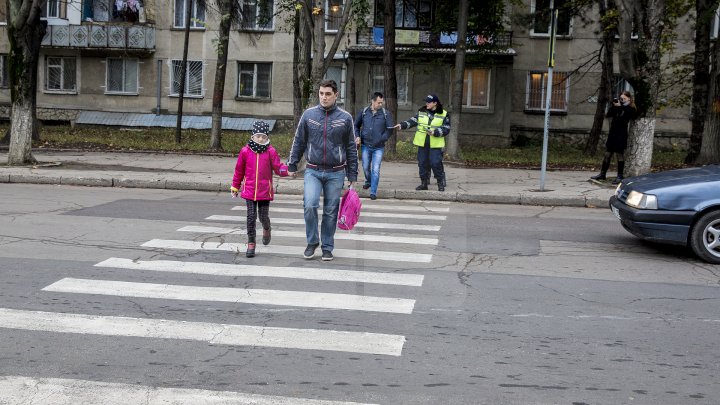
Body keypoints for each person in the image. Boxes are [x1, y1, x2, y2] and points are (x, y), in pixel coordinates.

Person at [288, 79, 358, 261]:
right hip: (313, 170)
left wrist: (352, 174)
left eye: (328, 94)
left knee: (330, 211)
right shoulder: (309, 115)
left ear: (336, 95)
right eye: (321, 93)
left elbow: (351, 147)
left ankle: (327, 247)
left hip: (336, 172)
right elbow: (299, 141)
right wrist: (292, 163)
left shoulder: (345, 118)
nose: (324, 97)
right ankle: (312, 242)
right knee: (310, 205)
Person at [231, 120, 289, 258]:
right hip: (250, 190)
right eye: (258, 136)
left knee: (263, 217)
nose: (261, 139)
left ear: (267, 137)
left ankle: (267, 228)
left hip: (264, 191)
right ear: (253, 136)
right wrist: (235, 186)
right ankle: (251, 243)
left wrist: (288, 171)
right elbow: (239, 170)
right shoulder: (245, 151)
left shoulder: (270, 151)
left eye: (264, 136)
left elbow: (278, 167)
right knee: (251, 217)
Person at [394, 94, 450, 191]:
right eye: (426, 101)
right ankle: (424, 184)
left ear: (435, 103)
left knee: (435, 163)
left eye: (429, 102)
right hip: (422, 143)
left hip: (435, 144)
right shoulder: (422, 112)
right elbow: (412, 121)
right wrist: (402, 125)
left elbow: (446, 129)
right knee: (422, 163)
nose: (426, 103)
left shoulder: (444, 114)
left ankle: (440, 182)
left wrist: (435, 132)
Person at [591, 90, 637, 184]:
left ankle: (620, 176)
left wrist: (620, 108)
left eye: (624, 98)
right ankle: (602, 174)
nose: (622, 99)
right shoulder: (617, 106)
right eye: (621, 98)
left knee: (619, 155)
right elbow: (609, 115)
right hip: (613, 133)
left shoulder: (630, 108)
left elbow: (624, 118)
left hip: (621, 133)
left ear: (629, 98)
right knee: (607, 154)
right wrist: (614, 106)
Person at [354, 92, 394, 200]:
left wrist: (382, 138)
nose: (380, 104)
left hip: (378, 147)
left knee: (375, 169)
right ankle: (368, 181)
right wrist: (357, 136)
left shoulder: (386, 114)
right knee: (366, 167)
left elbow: (390, 130)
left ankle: (373, 191)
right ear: (372, 101)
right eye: (378, 102)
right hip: (366, 145)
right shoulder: (364, 112)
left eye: (382, 102)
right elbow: (356, 126)